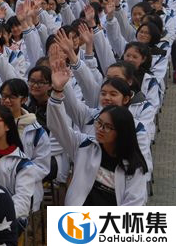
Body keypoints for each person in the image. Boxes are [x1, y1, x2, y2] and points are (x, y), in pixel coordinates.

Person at [47, 59, 149, 205]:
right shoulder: (84, 146)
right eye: (99, 123)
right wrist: (57, 91)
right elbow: (57, 127)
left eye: (107, 127)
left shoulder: (134, 166)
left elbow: (134, 204)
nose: (100, 129)